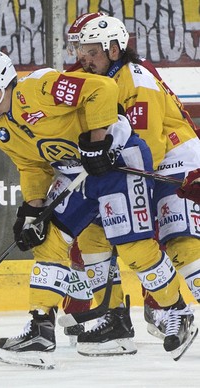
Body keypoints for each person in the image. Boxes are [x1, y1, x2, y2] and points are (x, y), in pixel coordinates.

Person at [0, 49, 198, 368]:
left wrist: (97, 139)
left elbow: (101, 89)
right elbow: (32, 167)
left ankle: (178, 311)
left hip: (117, 160)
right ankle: (41, 328)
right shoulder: (0, 130)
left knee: (134, 249)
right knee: (48, 240)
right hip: (78, 175)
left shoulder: (39, 87)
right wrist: (33, 210)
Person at [64, 13, 200, 355]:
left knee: (180, 243)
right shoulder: (96, 81)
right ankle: (114, 322)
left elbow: (149, 144)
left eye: (92, 52)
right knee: (93, 234)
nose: (85, 60)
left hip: (175, 165)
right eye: (80, 52)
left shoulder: (136, 79)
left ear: (114, 48)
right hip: (134, 169)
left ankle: (176, 311)